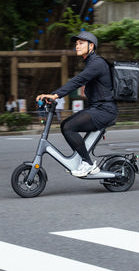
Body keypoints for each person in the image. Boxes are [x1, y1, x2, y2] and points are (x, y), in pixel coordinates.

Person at [36, 31, 117, 177]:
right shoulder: (91, 63)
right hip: (97, 109)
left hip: (105, 110)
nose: (77, 46)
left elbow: (77, 81)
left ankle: (88, 164)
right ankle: (82, 161)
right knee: (65, 125)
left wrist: (55, 95)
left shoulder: (97, 63)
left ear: (91, 46)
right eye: (76, 43)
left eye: (81, 43)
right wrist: (54, 96)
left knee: (68, 127)